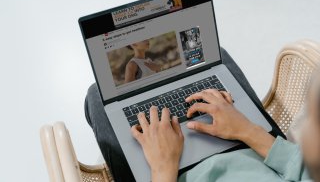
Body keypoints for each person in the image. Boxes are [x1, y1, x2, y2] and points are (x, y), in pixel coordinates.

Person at [84, 48, 317, 182]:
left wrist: (163, 167)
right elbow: (302, 167)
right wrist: (244, 129)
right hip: (257, 150)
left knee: (96, 95)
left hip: (170, 173)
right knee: (214, 58)